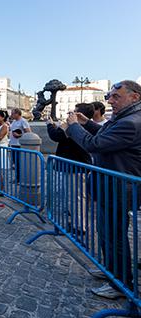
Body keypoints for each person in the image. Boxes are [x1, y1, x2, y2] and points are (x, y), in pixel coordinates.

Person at [66, 80, 141, 299]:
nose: (110, 100)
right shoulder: (126, 118)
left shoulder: (132, 122)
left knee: (114, 234)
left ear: (135, 96)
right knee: (106, 231)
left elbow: (95, 144)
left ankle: (119, 282)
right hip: (109, 184)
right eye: (109, 96)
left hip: (117, 187)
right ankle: (111, 270)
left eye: (116, 96)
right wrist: (86, 122)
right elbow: (104, 134)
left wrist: (73, 127)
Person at [9, 108, 31, 182]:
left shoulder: (23, 121)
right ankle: (18, 178)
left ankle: (20, 178)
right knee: (16, 163)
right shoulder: (14, 121)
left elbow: (29, 133)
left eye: (12, 113)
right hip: (13, 144)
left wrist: (19, 135)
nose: (11, 115)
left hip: (19, 145)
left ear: (17, 114)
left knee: (19, 163)